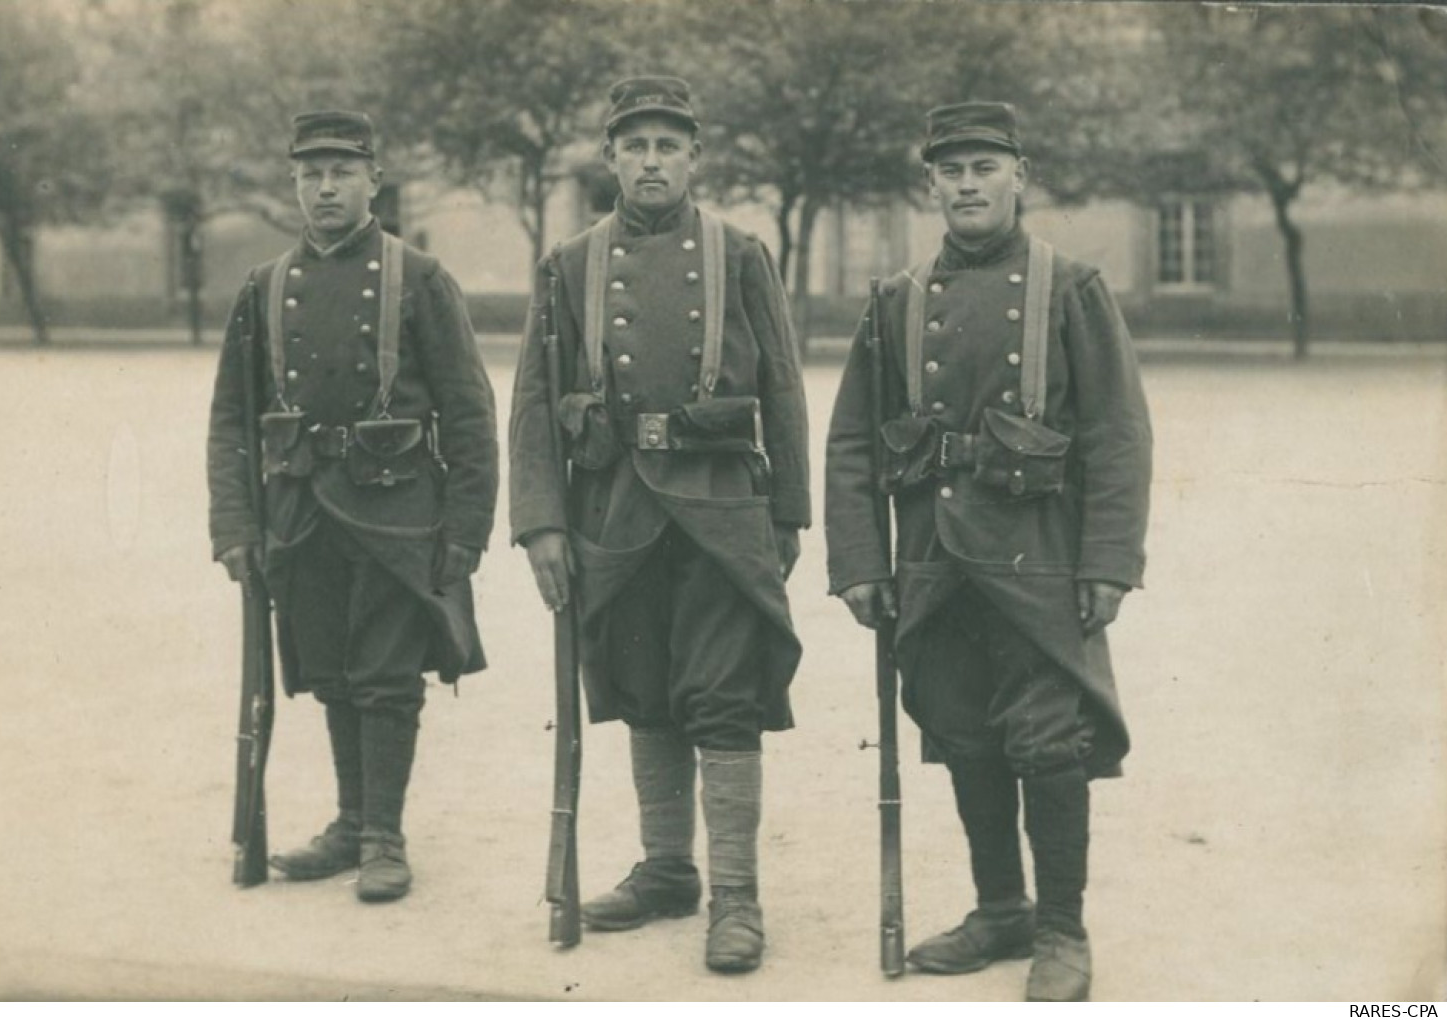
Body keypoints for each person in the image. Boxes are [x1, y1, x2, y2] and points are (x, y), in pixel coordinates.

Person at [824, 101, 1153, 1001]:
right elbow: (853, 439)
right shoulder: (896, 299)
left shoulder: (1071, 287)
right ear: (928, 183)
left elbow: (1118, 436)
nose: (967, 185)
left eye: (984, 168)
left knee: (1048, 743)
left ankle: (1060, 928)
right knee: (965, 734)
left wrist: (1108, 562)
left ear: (1020, 175)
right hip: (934, 560)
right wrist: (858, 560)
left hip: (1040, 556)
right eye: (951, 170)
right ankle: (999, 909)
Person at [508, 76, 809, 974]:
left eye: (666, 146)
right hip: (615, 512)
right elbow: (531, 401)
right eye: (633, 146)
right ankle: (669, 870)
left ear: (693, 158)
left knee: (722, 697)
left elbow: (785, 392)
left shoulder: (741, 254)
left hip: (719, 508)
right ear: (608, 159)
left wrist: (788, 512)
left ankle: (737, 897)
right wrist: (540, 525)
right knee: (642, 688)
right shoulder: (568, 264)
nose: (650, 161)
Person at [207, 111, 498, 903]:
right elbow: (231, 420)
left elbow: (469, 412)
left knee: (387, 677)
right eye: (310, 173)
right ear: (295, 184)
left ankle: (383, 836)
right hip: (299, 513)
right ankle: (347, 822)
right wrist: (235, 526)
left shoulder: (421, 278)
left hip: (399, 512)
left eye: (341, 171)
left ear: (374, 181)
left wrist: (467, 529)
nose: (325, 187)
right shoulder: (264, 287)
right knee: (332, 673)